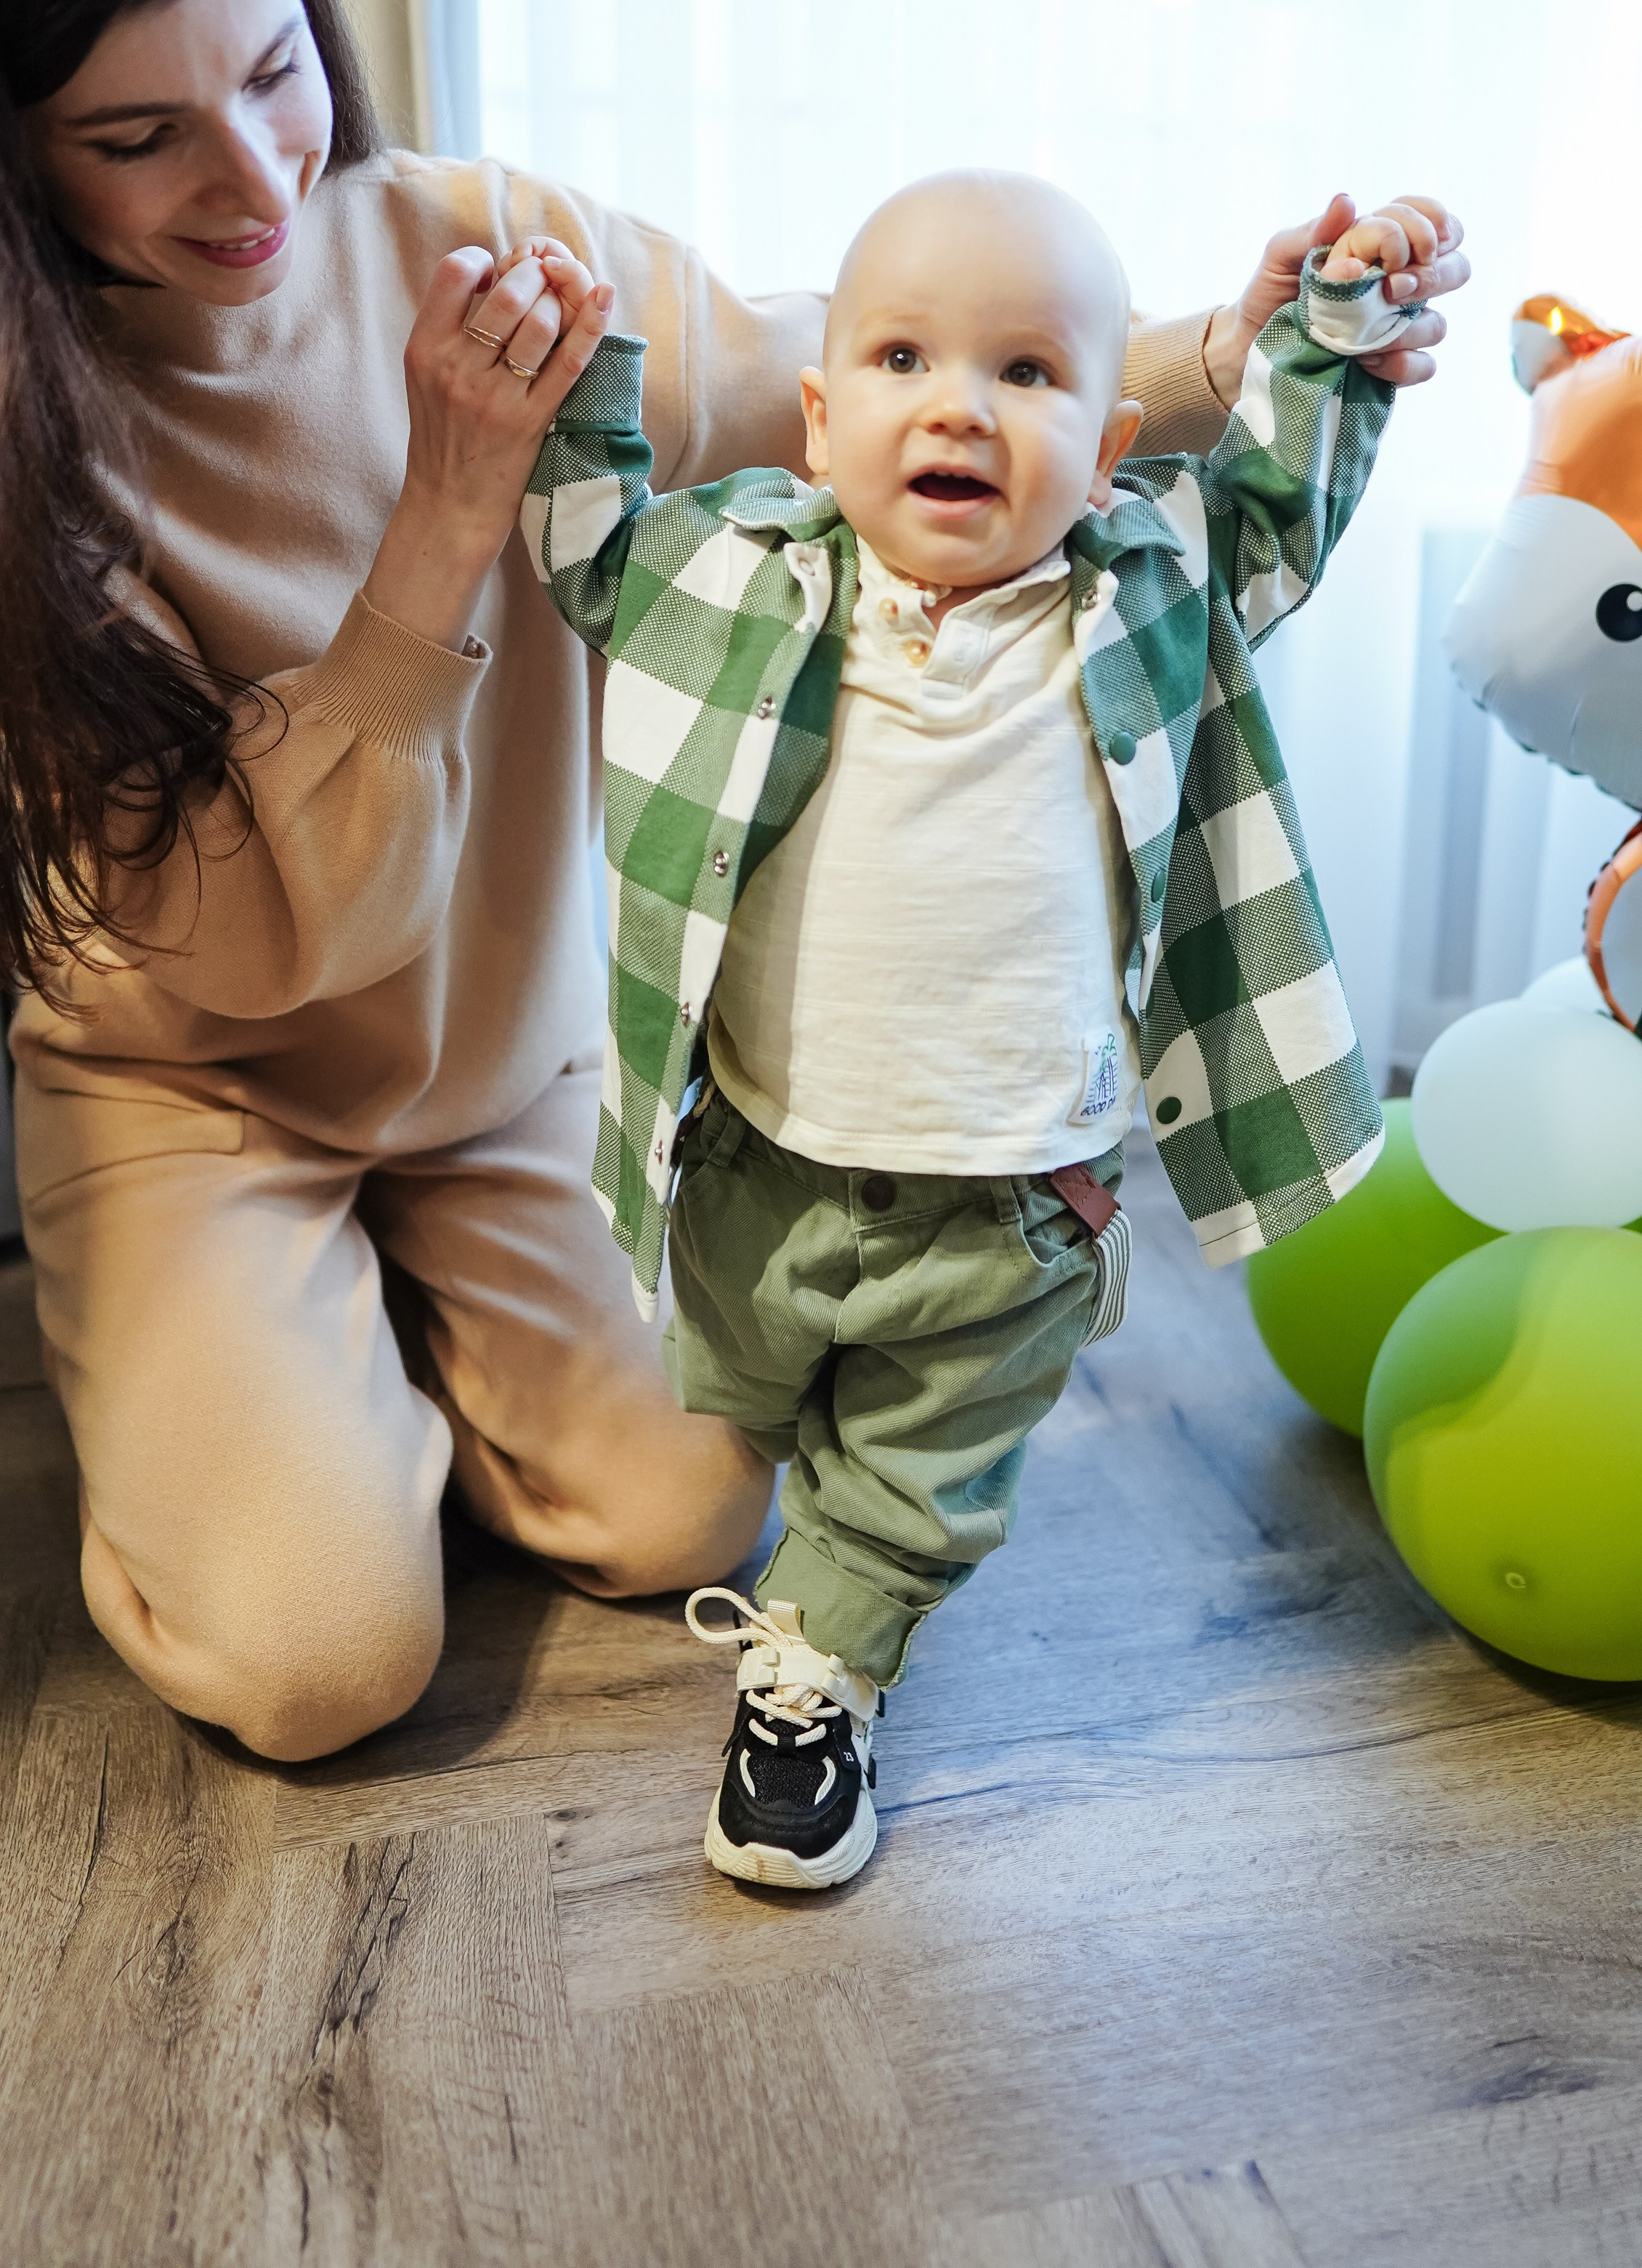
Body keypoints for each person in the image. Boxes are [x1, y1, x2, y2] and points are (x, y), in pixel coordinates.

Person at [0, 0, 1465, 1766]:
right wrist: (440, 523)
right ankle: (217, 1338)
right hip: (205, 1088)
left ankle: (386, 1331)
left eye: (269, 68)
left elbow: (842, 383)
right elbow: (244, 945)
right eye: (138, 136)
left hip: (505, 1062)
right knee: (320, 1668)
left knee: (690, 1497)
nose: (249, 178)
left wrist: (1226, 358)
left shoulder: (468, 243)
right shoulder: (39, 457)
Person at [508, 171, 1458, 1887]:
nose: (958, 402)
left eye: (1025, 374)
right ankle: (827, 1533)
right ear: (818, 419)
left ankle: (822, 1670)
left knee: (912, 1478)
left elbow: (1272, 503)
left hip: (1014, 1198)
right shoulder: (731, 582)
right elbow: (590, 548)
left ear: (1105, 449)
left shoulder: (1145, 588)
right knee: (739, 1399)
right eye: (899, 358)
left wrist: (1333, 324)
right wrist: (573, 367)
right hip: (752, 1160)